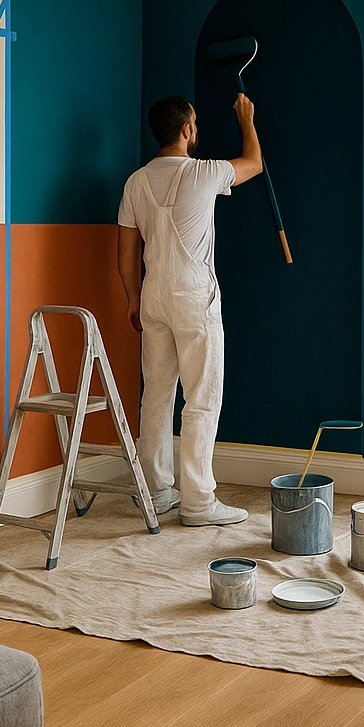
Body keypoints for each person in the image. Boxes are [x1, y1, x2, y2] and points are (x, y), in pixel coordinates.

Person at [116, 93, 263, 525]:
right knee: (202, 396)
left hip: (153, 294)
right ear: (186, 130)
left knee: (156, 396)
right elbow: (253, 162)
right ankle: (199, 501)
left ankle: (157, 491)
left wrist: (132, 299)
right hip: (194, 295)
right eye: (194, 123)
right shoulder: (204, 172)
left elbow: (126, 254)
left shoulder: (135, 182)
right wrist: (246, 118)